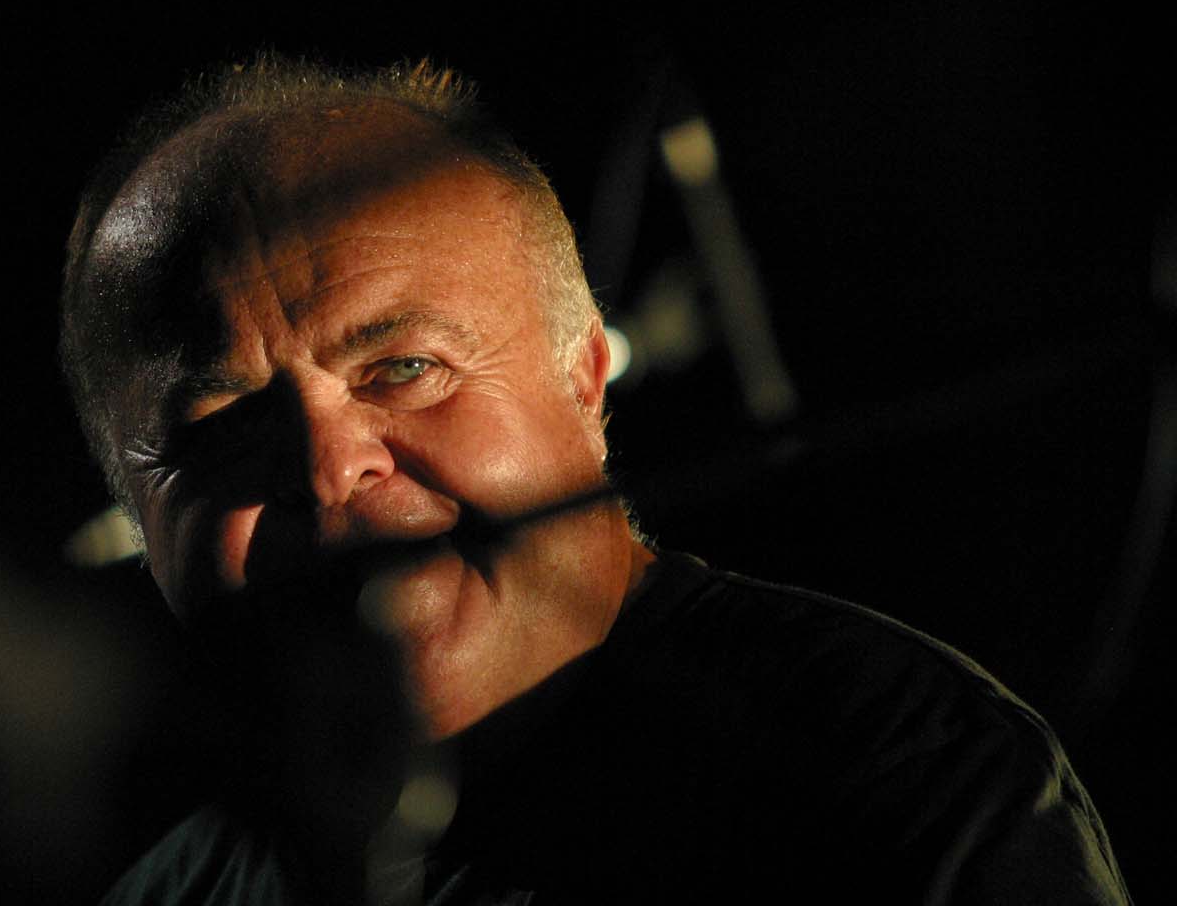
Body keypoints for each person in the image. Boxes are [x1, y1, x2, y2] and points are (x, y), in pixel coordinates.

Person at [59, 57, 1131, 904]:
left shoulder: (883, 768)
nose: (331, 466)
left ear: (583, 381)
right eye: (222, 432)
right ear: (138, 521)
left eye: (405, 369)